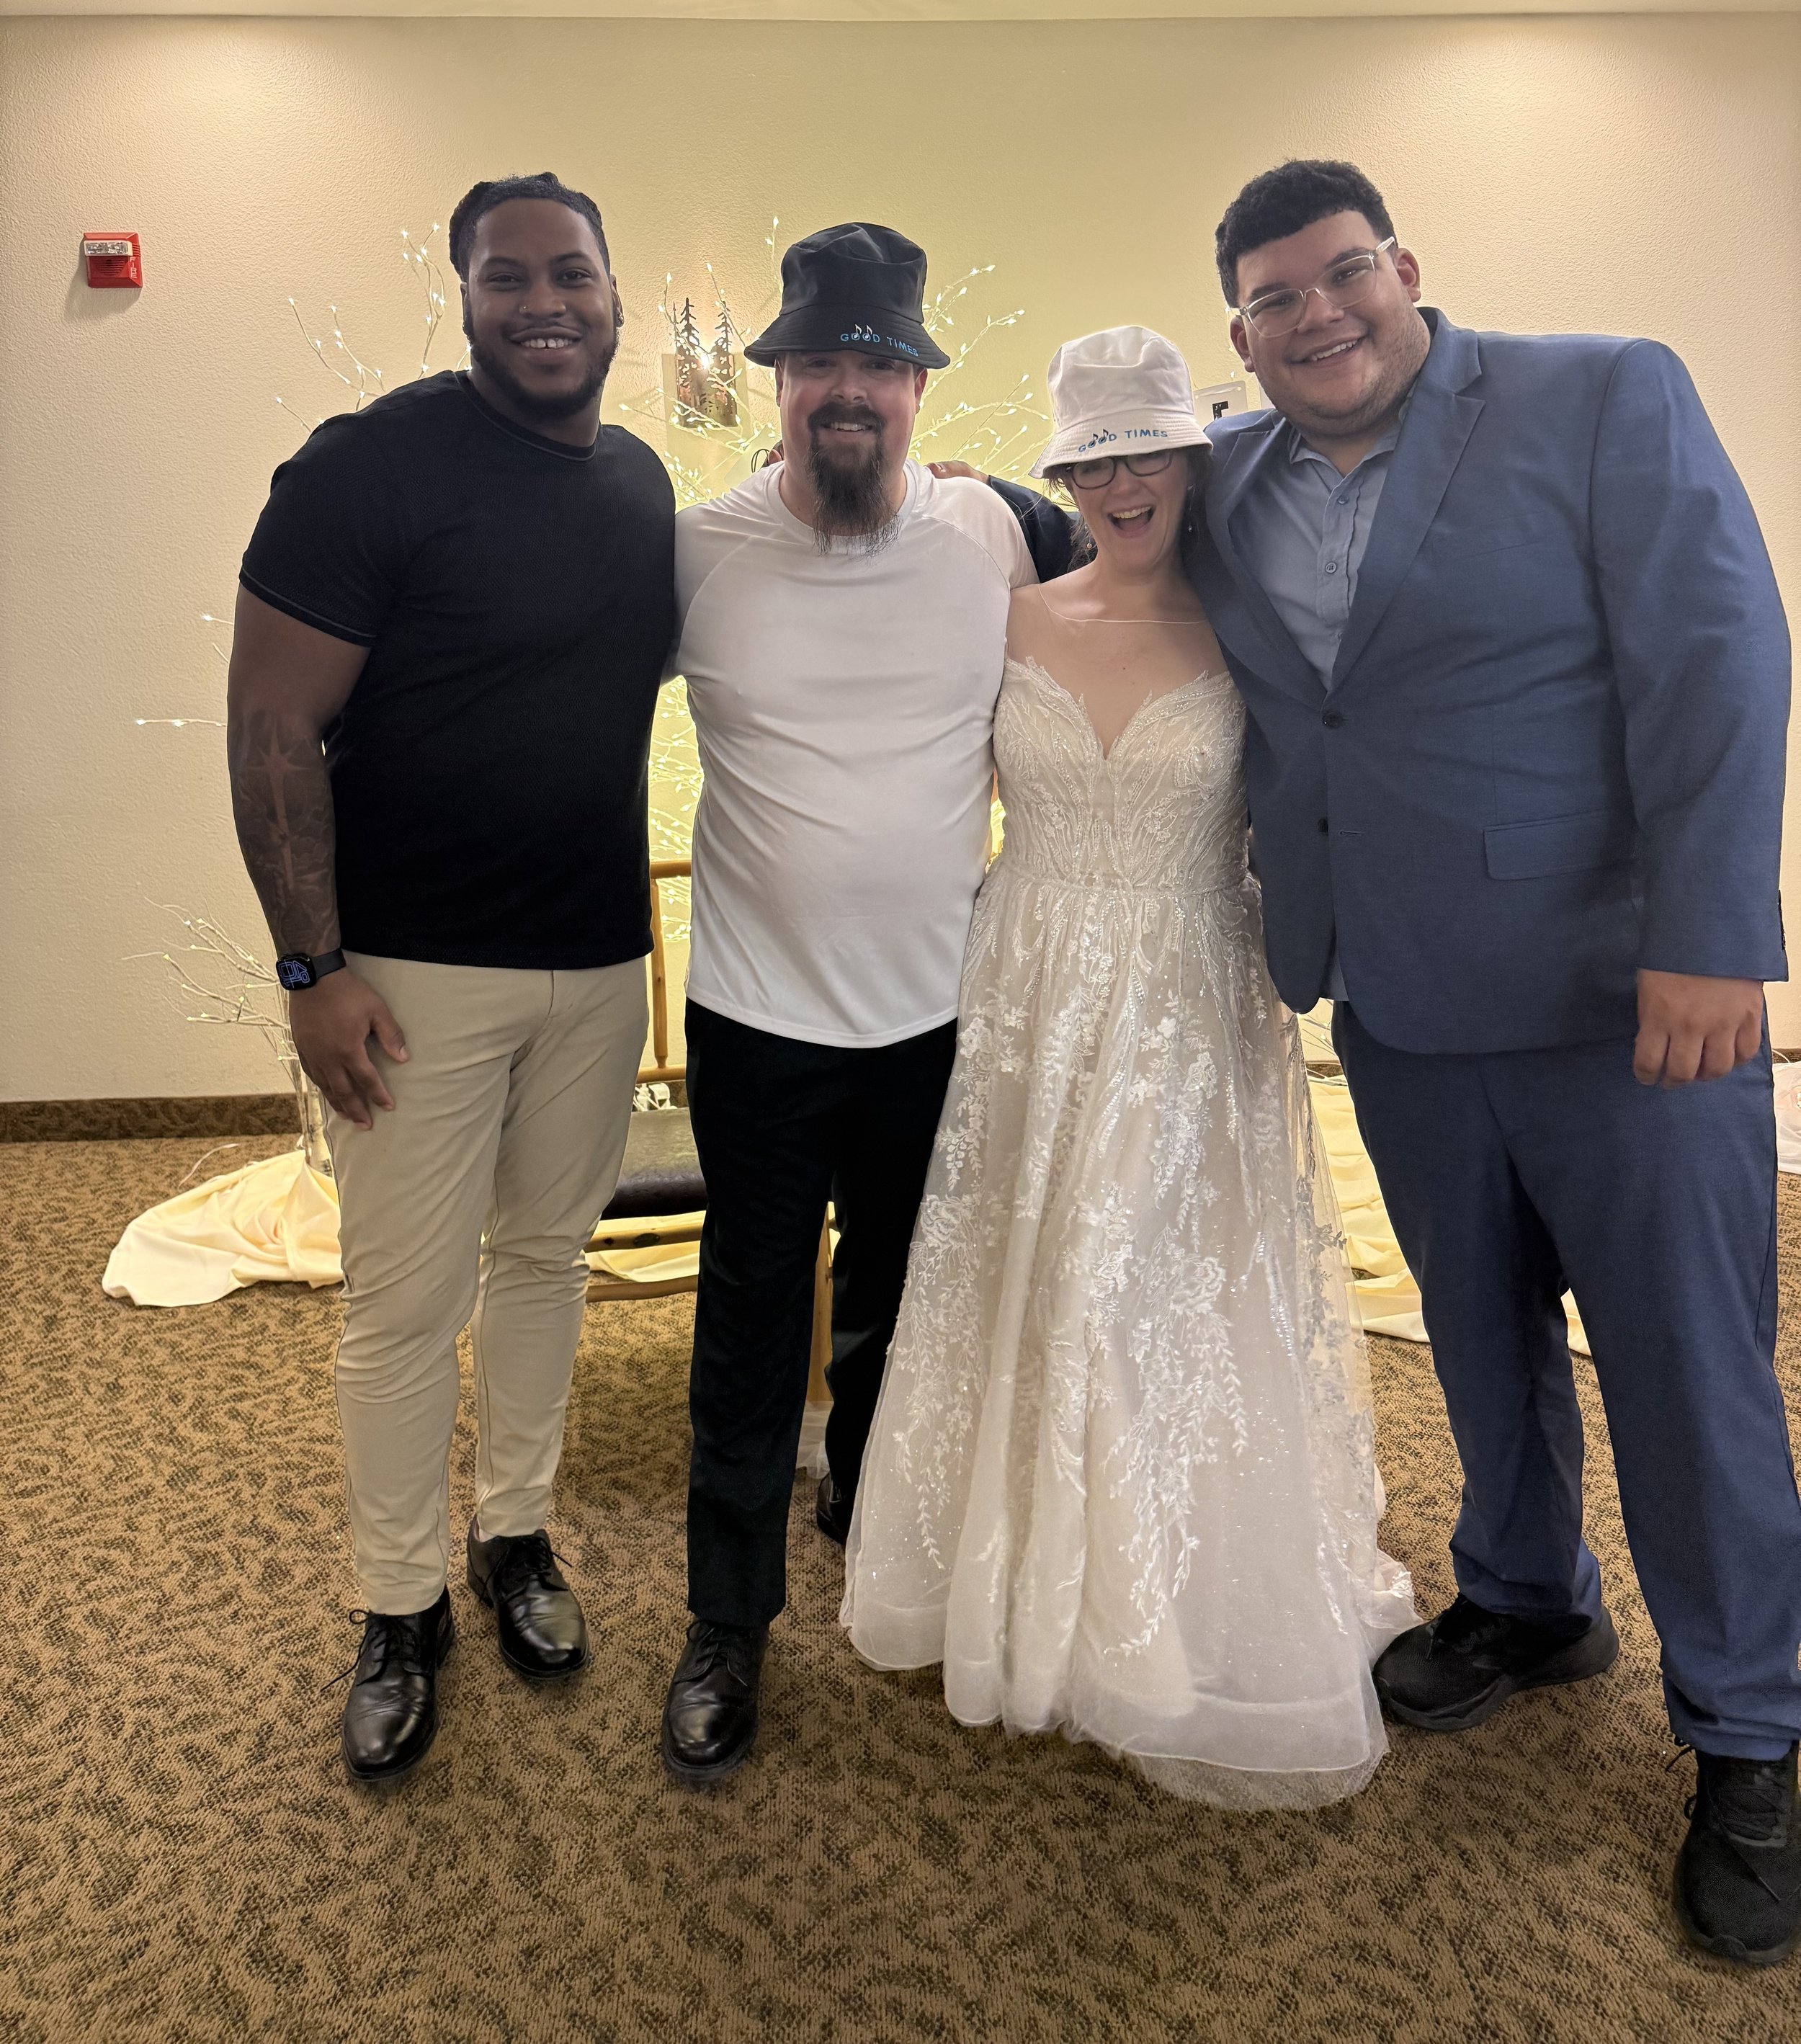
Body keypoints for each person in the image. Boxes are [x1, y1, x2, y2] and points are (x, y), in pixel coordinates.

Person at [1186, 158, 1800, 1960]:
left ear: (1402, 268)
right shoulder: (1227, 472)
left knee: (1688, 1369)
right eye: (1272, 299)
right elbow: (1108, 523)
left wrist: (1708, 935)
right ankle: (1528, 1595)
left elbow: (1717, 653)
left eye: (1338, 275)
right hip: (1395, 994)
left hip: (1628, 998)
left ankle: (1749, 1725)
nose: (1315, 317)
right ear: (1239, 330)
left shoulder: (1600, 391)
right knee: (1473, 1322)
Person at [843, 326, 1416, 1803]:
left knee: (1145, 1290)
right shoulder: (1009, 620)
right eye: (1092, 456)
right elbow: (915, 790)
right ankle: (1026, 1589)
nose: (1120, 481)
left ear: (1190, 460)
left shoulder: (1263, 630)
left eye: (1145, 450)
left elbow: (1330, 803)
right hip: (1023, 987)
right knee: (1030, 1281)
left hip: (1182, 992)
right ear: (1063, 475)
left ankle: (1150, 1619)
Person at [228, 172, 674, 1785]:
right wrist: (310, 965)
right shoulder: (368, 467)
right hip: (408, 972)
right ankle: (397, 1605)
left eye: (570, 272)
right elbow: (272, 726)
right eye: (507, 277)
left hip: (596, 962)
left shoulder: (638, 484)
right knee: (406, 1305)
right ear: (466, 295)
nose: (542, 301)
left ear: (615, 292)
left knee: (549, 1261)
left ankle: (515, 1540)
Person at [661, 222, 1035, 1785]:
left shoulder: (1001, 536)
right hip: (753, 1016)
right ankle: (725, 1624)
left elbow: (1140, 656)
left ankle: (873, 1523)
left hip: (933, 1018)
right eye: (817, 360)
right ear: (777, 381)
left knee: (903, 1293)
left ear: (916, 386)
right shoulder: (693, 549)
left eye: (877, 363)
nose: (847, 390)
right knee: (754, 1313)